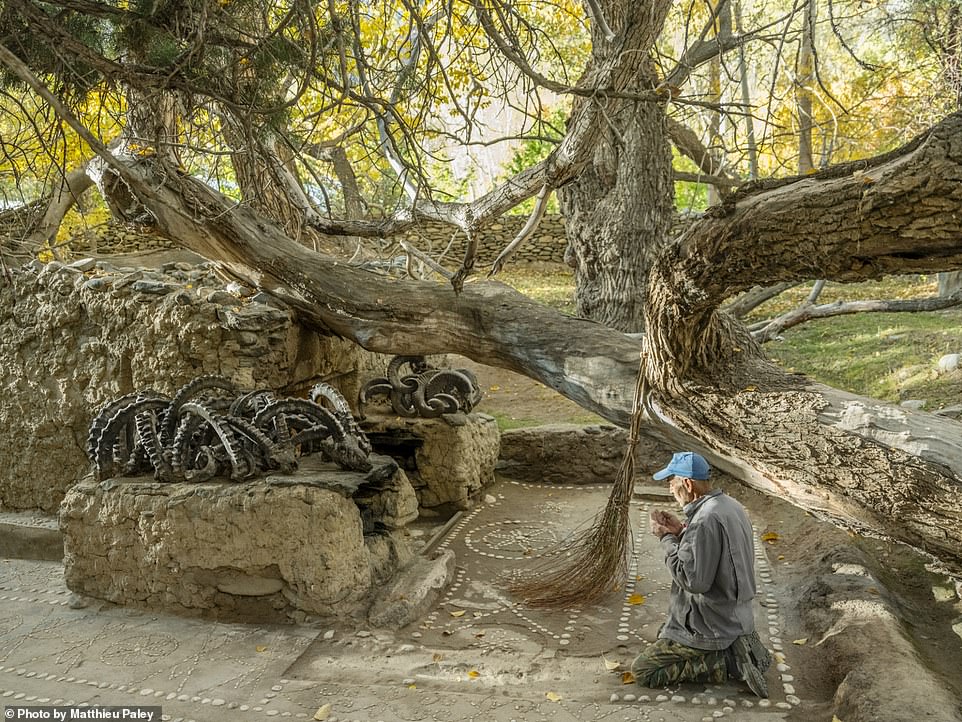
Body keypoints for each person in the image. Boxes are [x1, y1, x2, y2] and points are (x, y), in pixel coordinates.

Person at [631, 451, 771, 697]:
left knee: (643, 670)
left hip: (712, 623)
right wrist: (681, 531)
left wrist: (666, 538)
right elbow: (714, 553)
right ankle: (734, 645)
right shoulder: (729, 506)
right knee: (664, 632)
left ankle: (727, 663)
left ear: (687, 483)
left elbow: (692, 580)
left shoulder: (704, 520)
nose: (670, 489)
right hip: (734, 614)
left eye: (671, 482)